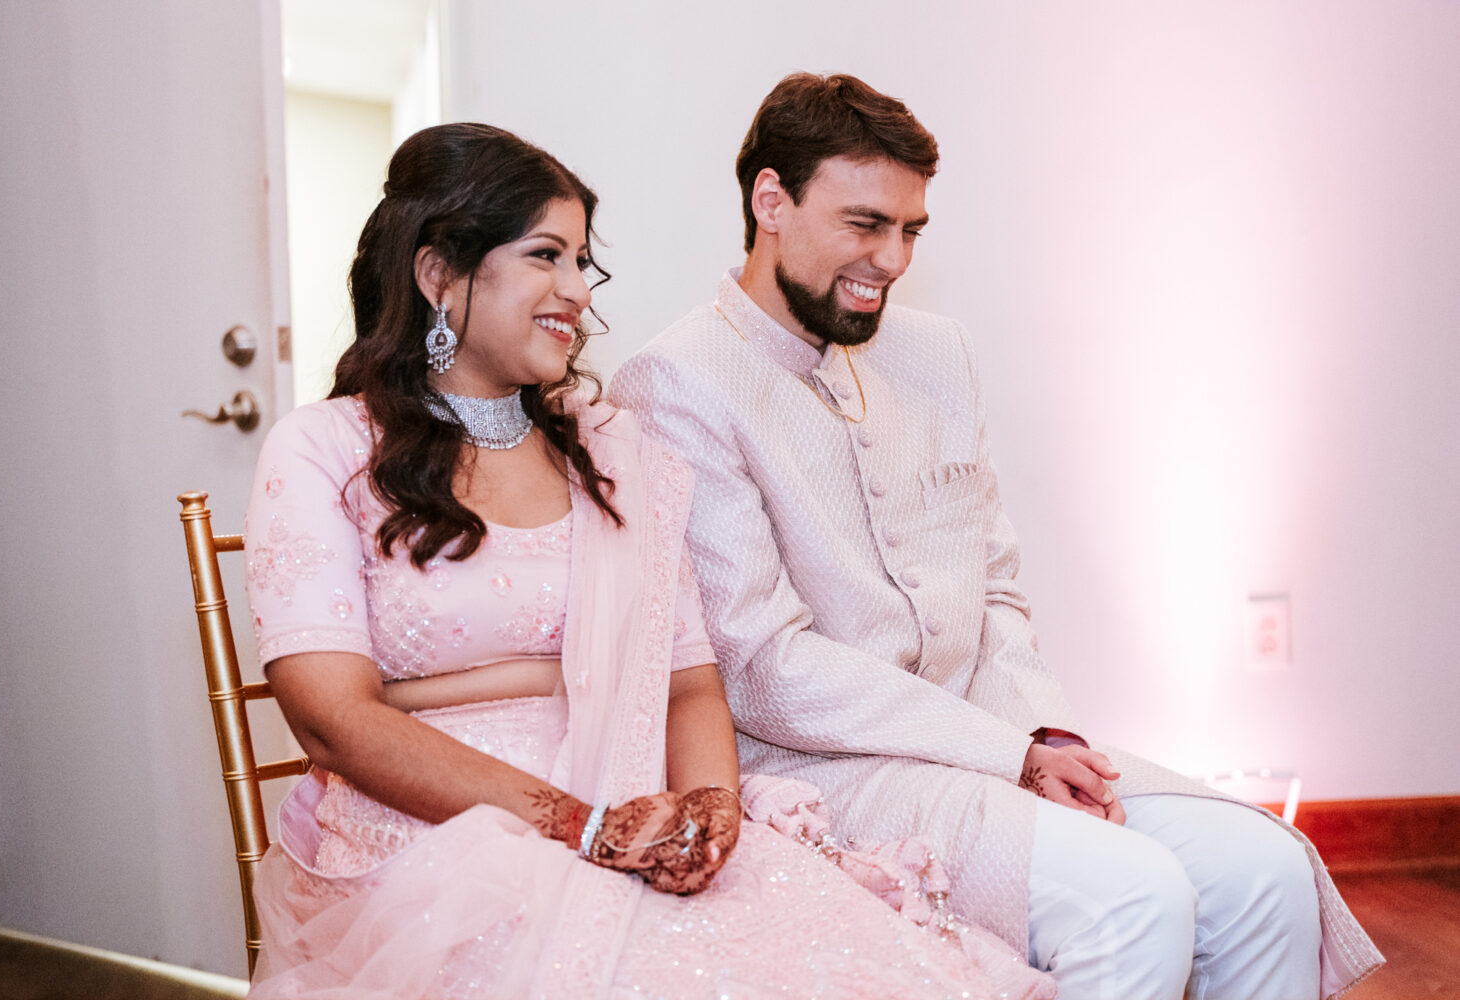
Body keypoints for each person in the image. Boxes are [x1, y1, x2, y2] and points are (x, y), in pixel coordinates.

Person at [608, 74, 1383, 1000]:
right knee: (1133, 897)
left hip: (1001, 731)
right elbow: (764, 668)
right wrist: (1007, 754)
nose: (892, 259)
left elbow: (997, 587)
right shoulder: (677, 381)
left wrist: (1043, 732)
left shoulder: (936, 354)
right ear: (770, 201)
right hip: (833, 772)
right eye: (866, 224)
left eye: (910, 231)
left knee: (1266, 870)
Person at [241, 122, 1054, 999]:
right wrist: (576, 825)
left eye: (582, 262)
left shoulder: (610, 450)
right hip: (437, 842)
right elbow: (332, 720)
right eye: (546, 256)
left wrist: (710, 815)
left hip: (636, 814)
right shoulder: (325, 450)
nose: (576, 292)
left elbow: (690, 682)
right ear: (439, 273)